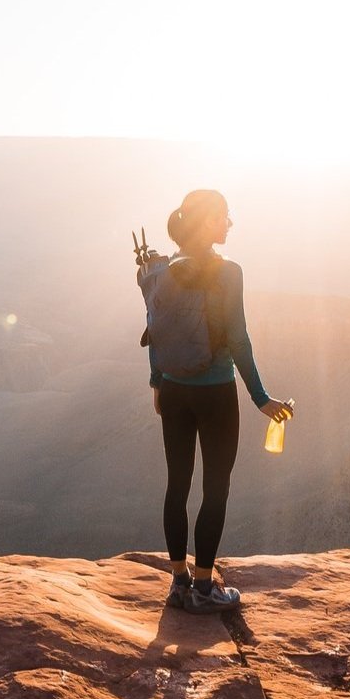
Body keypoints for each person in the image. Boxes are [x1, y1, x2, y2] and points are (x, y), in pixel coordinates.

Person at [141, 189, 292, 614]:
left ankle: (178, 583)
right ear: (206, 223)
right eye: (224, 217)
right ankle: (205, 589)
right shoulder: (228, 272)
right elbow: (238, 338)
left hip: (172, 390)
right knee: (215, 488)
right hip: (215, 393)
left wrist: (157, 381)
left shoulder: (161, 270)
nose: (229, 225)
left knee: (177, 484)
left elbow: (154, 329)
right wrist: (260, 397)